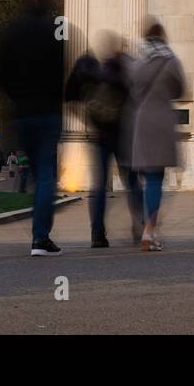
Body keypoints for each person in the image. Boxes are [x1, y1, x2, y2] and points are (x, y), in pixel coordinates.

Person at [0, 0, 66, 256]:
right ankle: (39, 238)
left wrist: (15, 94)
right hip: (46, 112)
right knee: (46, 177)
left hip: (21, 111)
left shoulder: (11, 32)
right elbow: (62, 71)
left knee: (32, 172)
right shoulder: (52, 32)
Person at [67, 30, 142, 248]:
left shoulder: (88, 66)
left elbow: (70, 95)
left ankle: (97, 233)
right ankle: (142, 224)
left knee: (99, 185)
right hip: (122, 132)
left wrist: (86, 115)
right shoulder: (122, 66)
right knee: (131, 181)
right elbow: (136, 97)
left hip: (100, 132)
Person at [122, 20, 185, 251]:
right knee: (156, 180)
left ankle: (147, 227)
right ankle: (150, 230)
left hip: (141, 122)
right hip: (162, 121)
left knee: (148, 179)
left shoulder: (137, 63)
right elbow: (179, 90)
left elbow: (131, 89)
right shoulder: (171, 61)